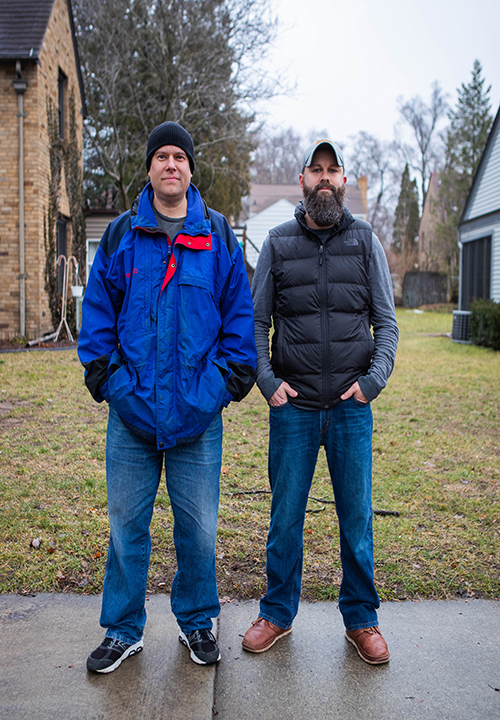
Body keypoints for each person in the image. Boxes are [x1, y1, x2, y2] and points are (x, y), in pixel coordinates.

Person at [78, 122, 257, 672]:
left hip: (196, 419)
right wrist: (116, 388)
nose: (172, 165)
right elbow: (99, 321)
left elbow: (240, 326)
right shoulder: (122, 236)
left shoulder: (219, 237)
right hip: (132, 416)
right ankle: (123, 629)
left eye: (181, 156)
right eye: (162, 156)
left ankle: (197, 622)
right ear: (151, 168)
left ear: (191, 169)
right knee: (126, 528)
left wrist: (211, 393)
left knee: (199, 531)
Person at [242, 138, 399, 665]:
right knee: (285, 517)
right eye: (317, 171)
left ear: (345, 183)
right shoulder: (279, 244)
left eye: (334, 171)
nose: (325, 179)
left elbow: (388, 324)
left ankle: (362, 619)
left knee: (356, 518)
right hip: (295, 410)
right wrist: (268, 382)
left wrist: (372, 382)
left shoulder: (366, 242)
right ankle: (276, 613)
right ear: (302, 183)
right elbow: (255, 325)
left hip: (352, 408)